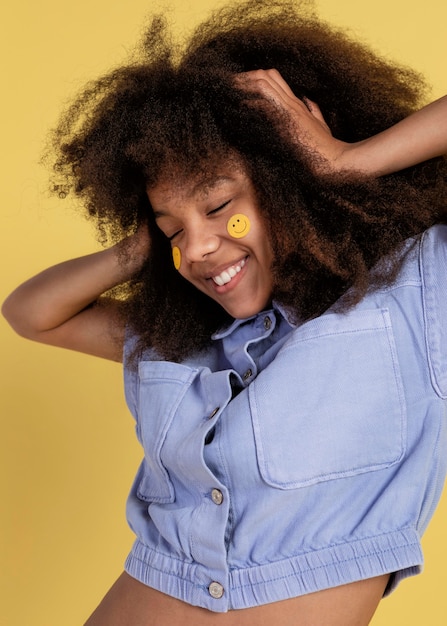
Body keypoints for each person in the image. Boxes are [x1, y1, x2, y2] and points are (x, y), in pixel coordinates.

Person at [3, 1, 447, 624]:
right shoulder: (184, 340)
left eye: (218, 206)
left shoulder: (416, 294)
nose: (199, 245)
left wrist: (344, 162)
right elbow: (30, 312)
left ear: (286, 184)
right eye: (172, 228)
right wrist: (149, 245)